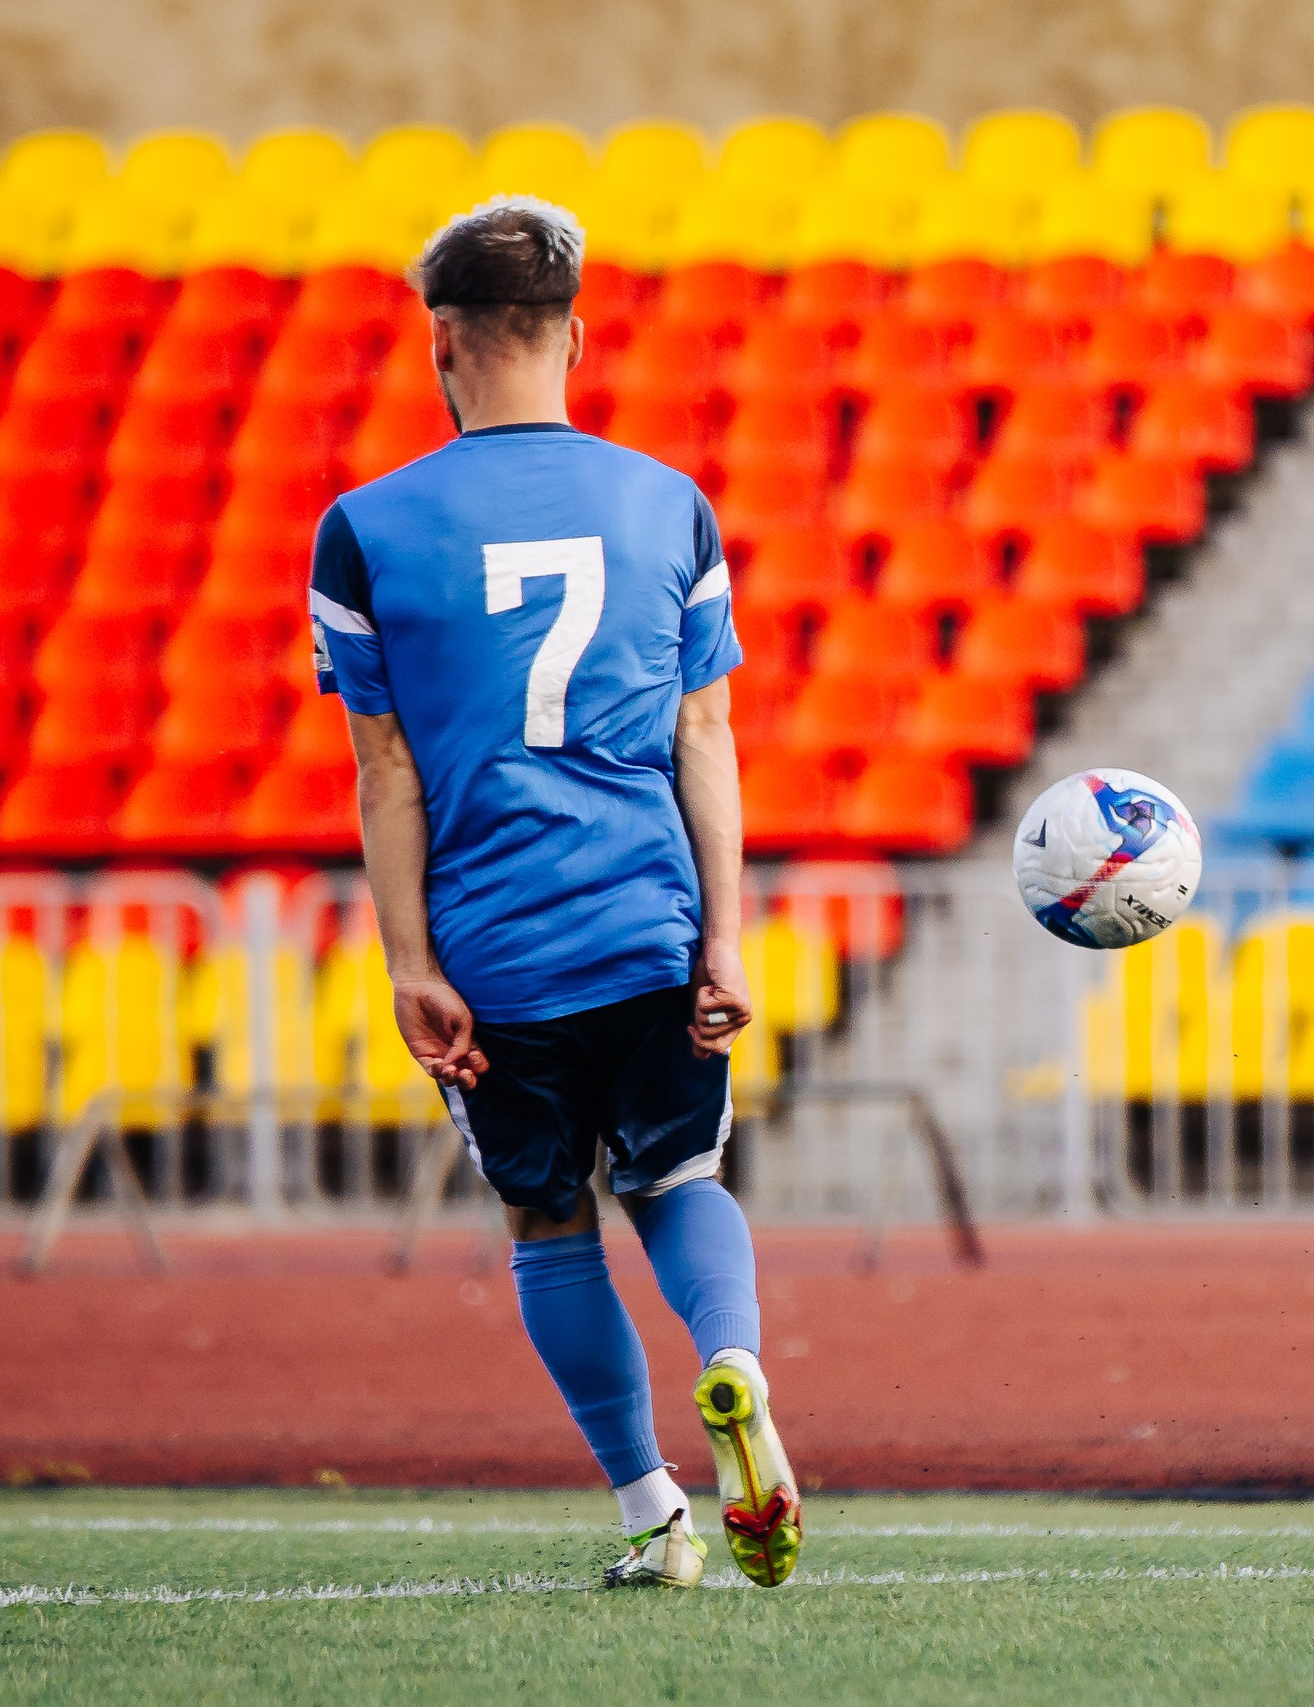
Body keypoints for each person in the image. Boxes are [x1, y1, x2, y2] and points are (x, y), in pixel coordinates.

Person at [308, 198, 799, 1590]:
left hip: (493, 948)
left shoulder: (364, 528)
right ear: (577, 333)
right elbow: (705, 735)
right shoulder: (667, 499)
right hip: (647, 919)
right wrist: (725, 933)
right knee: (680, 1174)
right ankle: (738, 1364)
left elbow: (384, 765)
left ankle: (654, 1507)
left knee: (548, 1219)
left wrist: (411, 959)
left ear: (438, 344)